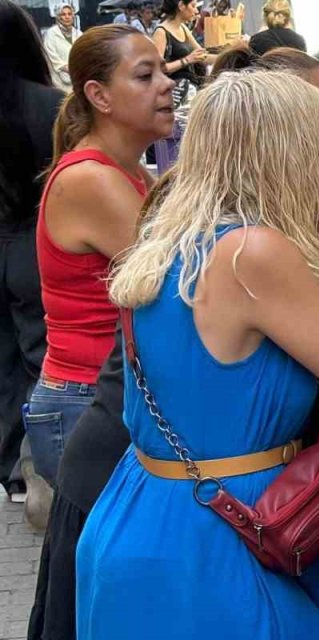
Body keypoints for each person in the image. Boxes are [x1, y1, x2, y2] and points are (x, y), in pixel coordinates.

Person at [27, 44, 319, 640]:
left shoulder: (186, 232)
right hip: (212, 543)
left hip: (163, 520)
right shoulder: (250, 252)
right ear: (288, 149)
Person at [24, 24, 173, 495]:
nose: (167, 85)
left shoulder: (131, 172)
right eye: (146, 76)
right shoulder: (93, 179)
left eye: (165, 72)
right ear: (99, 96)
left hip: (103, 395)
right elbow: (182, 275)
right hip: (85, 400)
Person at [0, 0, 60, 513]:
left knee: (2, 361)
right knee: (42, 355)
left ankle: (11, 473)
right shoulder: (50, 106)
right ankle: (41, 465)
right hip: (35, 243)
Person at [153, 0, 208, 88]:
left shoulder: (183, 28)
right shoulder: (161, 32)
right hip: (174, 93)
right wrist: (187, 60)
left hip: (189, 88)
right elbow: (157, 68)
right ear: (181, 6)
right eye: (193, 6)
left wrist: (228, 54)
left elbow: (203, 56)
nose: (196, 11)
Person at [43, 3, 81, 91]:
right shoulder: (51, 34)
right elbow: (52, 57)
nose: (67, 17)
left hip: (77, 80)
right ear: (58, 17)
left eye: (69, 14)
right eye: (63, 14)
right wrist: (68, 68)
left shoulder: (79, 34)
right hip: (59, 83)